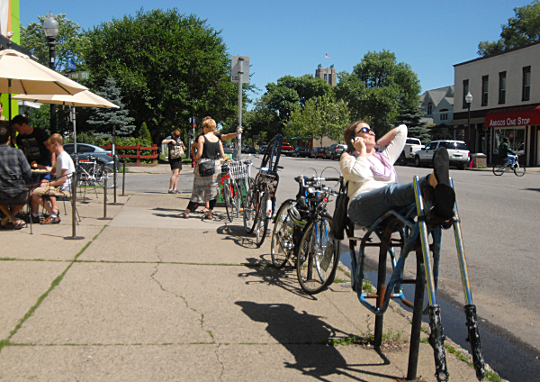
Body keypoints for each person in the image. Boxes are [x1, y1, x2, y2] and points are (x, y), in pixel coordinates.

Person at [340, 121, 455, 228]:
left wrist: (376, 146)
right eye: (365, 130)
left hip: (390, 206)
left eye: (372, 130)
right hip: (361, 208)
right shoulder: (349, 157)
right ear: (354, 139)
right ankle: (430, 181)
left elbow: (402, 130)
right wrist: (362, 150)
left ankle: (441, 212)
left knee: (421, 197)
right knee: (390, 189)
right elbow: (359, 175)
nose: (371, 132)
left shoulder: (384, 158)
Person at [178, 117, 225, 219]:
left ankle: (187, 212)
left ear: (206, 127)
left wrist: (195, 158)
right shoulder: (218, 139)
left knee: (197, 189)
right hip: (215, 166)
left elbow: (199, 153)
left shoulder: (202, 138)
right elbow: (222, 155)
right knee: (213, 191)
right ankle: (209, 213)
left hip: (204, 165)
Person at [30, 134, 75, 224]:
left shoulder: (63, 158)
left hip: (64, 188)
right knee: (36, 188)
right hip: (61, 186)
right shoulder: (60, 157)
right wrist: (39, 166)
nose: (48, 148)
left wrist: (48, 184)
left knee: (35, 193)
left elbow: (63, 180)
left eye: (49, 145)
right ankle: (35, 215)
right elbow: (52, 170)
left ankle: (53, 214)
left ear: (55, 144)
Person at [0, 122, 32, 229]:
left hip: (0, 192)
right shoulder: (18, 153)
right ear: (9, 139)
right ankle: (11, 217)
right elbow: (28, 173)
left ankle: (7, 218)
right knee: (27, 192)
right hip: (19, 192)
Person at [162, 129, 186, 194]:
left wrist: (182, 144)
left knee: (177, 174)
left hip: (179, 157)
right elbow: (163, 142)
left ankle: (175, 188)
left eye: (178, 137)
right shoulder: (170, 138)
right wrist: (171, 140)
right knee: (175, 173)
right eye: (176, 137)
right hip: (173, 158)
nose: (177, 138)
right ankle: (170, 188)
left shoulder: (179, 140)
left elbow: (184, 149)